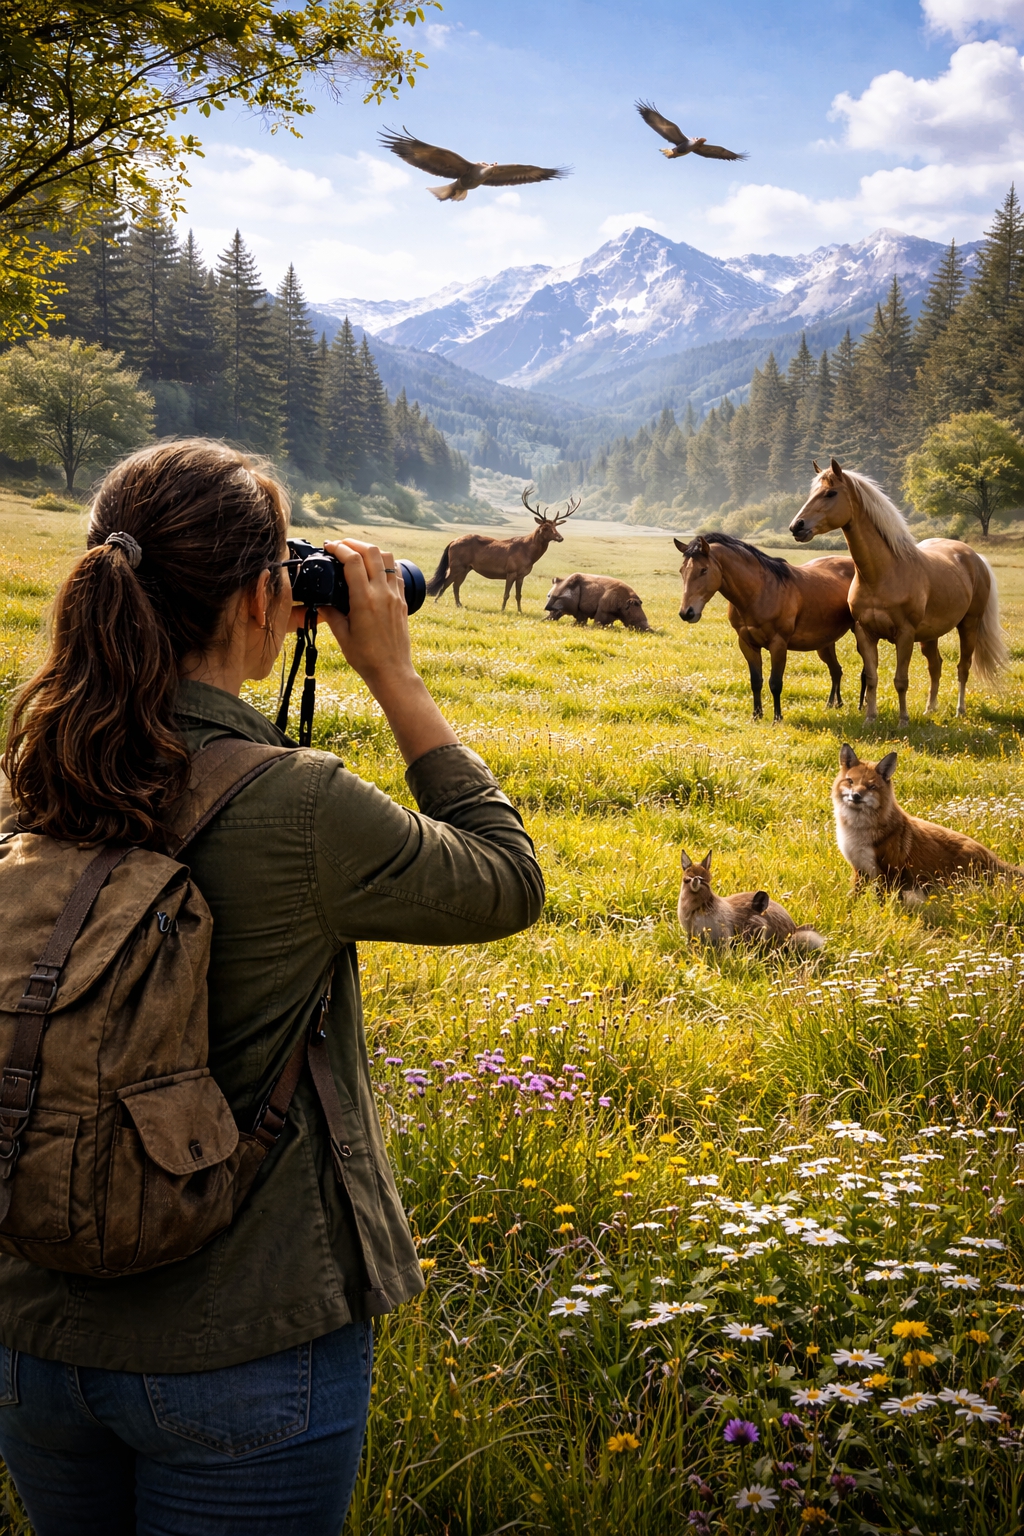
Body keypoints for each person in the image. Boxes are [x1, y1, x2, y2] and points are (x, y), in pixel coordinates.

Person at [0, 439, 544, 1536]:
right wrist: (393, 672)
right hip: (242, 1349)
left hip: (30, 1343)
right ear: (266, 596)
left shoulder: (30, 770)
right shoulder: (299, 804)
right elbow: (505, 881)